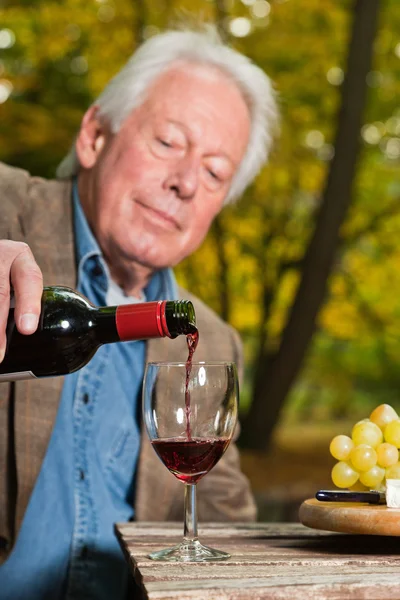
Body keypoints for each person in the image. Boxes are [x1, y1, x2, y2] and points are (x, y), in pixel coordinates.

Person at [0, 25, 278, 600]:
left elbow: (225, 522)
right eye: (169, 142)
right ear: (95, 136)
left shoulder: (214, 342)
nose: (183, 183)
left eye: (214, 173)